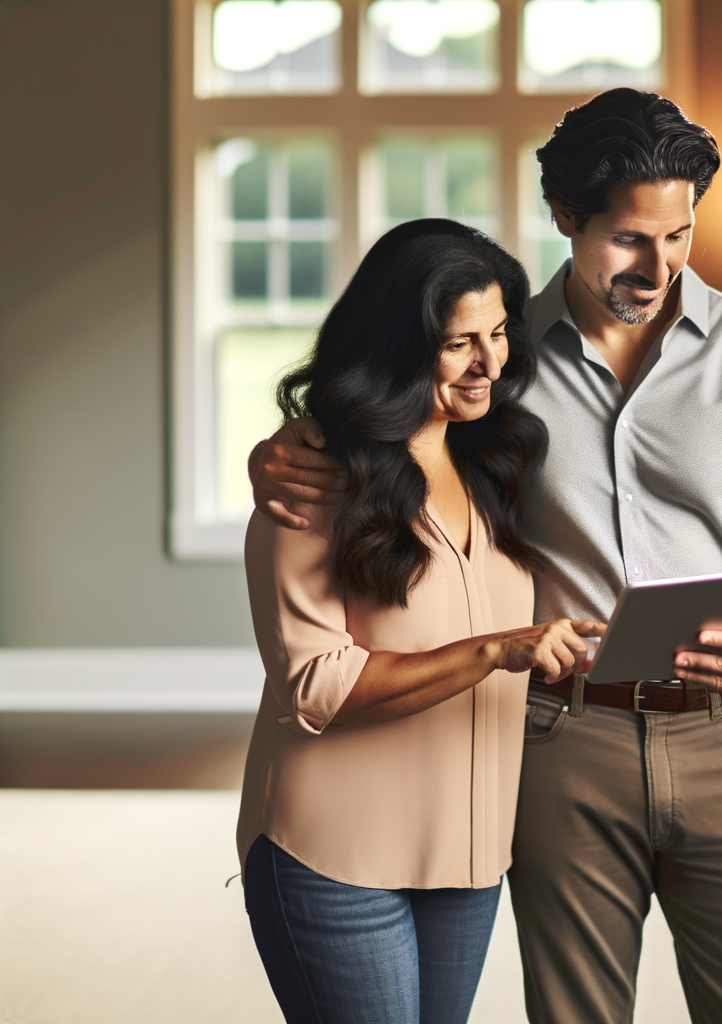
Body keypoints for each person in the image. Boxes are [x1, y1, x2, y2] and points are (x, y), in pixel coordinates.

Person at [248, 89, 722, 1024]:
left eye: (680, 236)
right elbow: (383, 430)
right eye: (628, 239)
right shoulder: (498, 355)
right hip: (560, 738)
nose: (658, 266)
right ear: (566, 218)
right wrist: (286, 449)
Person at [237, 218, 603, 1024]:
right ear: (398, 344)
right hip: (334, 857)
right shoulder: (311, 480)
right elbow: (314, 685)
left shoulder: (496, 461)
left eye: (501, 333)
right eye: (458, 342)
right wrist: (499, 650)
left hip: (470, 859)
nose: (490, 363)